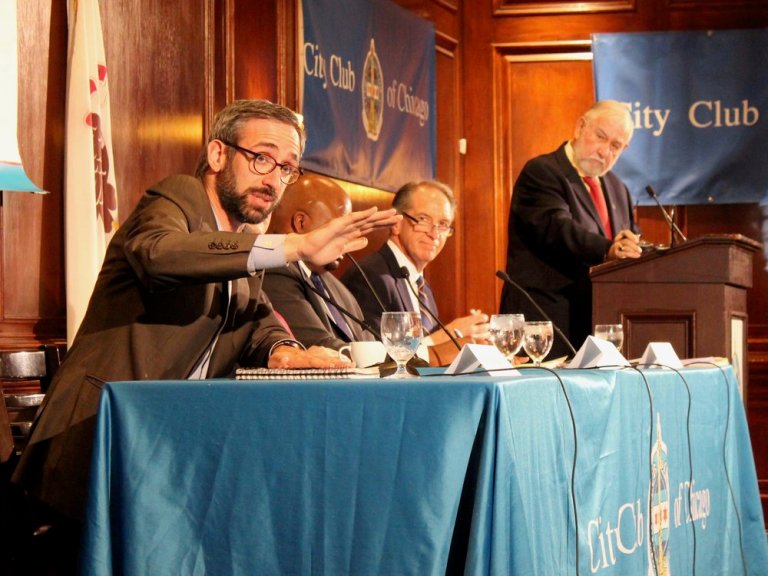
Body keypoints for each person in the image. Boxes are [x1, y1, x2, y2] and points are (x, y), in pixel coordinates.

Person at [11, 100, 399, 556]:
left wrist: (286, 350)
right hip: (98, 440)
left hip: (170, 451)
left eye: (286, 168)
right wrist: (294, 246)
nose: (274, 179)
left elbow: (257, 321)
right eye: (262, 157)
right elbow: (159, 254)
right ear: (218, 154)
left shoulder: (245, 244)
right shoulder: (178, 198)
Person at [500, 100, 642, 359]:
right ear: (580, 127)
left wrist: (637, 248)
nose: (604, 151)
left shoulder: (618, 188)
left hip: (597, 323)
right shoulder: (542, 172)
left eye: (615, 146)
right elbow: (558, 228)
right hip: (545, 324)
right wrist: (609, 249)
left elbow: (629, 239)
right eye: (601, 137)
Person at [342, 180, 489, 346]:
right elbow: (374, 354)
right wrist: (448, 336)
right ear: (396, 223)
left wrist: (467, 342)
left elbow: (431, 355)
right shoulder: (368, 277)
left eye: (443, 224)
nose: (434, 234)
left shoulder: (423, 288)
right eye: (423, 219)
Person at [262, 173, 376, 349]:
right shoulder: (275, 272)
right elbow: (317, 345)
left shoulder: (338, 288)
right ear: (301, 223)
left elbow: (368, 342)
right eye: (339, 227)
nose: (347, 238)